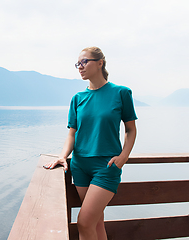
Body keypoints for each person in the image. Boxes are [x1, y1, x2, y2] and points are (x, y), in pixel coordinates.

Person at [44, 47, 137, 240]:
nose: (80, 67)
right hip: (80, 166)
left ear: (100, 63)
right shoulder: (78, 99)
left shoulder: (121, 93)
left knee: (84, 222)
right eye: (78, 64)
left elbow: (130, 129)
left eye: (84, 62)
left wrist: (123, 157)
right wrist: (62, 156)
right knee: (96, 223)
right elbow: (72, 134)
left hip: (106, 167)